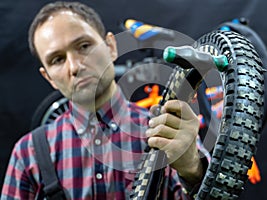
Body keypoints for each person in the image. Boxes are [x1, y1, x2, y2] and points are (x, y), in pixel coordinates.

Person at [1, 1, 208, 199]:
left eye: (83, 46)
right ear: (48, 77)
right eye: (57, 60)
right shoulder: (28, 154)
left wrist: (192, 169)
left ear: (111, 46)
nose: (75, 67)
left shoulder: (166, 130)